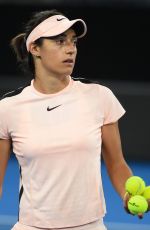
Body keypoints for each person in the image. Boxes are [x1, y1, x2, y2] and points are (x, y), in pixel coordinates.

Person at [0, 9, 149, 230]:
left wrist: (127, 194)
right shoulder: (8, 108)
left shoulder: (100, 96)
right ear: (34, 48)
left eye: (73, 42)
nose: (70, 48)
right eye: (60, 41)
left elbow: (117, 164)